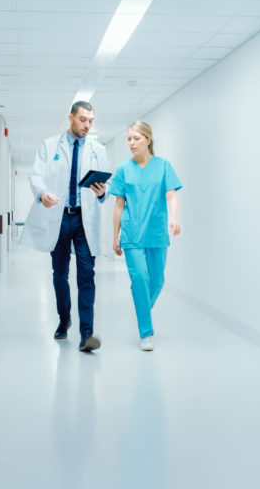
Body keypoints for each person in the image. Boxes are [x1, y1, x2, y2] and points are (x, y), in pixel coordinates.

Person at [21, 101, 110, 352]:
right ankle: (64, 319)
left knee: (86, 276)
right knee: (59, 274)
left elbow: (106, 186)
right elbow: (36, 176)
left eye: (91, 121)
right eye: (83, 119)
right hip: (59, 217)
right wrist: (42, 194)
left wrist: (103, 192)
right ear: (70, 117)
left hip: (85, 220)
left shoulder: (98, 149)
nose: (87, 125)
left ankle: (86, 334)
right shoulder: (50, 146)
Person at [110, 121, 181, 351]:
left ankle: (142, 310)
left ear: (148, 140)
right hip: (132, 233)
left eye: (136, 138)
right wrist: (115, 236)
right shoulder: (123, 169)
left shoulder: (163, 166)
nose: (131, 143)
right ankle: (146, 333)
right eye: (129, 139)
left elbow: (171, 195)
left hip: (157, 233)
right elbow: (119, 205)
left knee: (157, 280)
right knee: (140, 279)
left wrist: (174, 217)